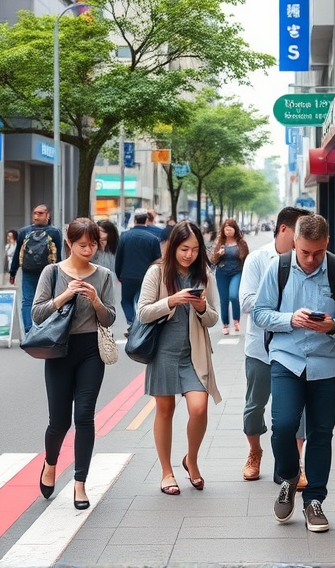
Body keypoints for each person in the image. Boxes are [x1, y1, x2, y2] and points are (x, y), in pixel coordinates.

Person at [253, 214, 335, 533]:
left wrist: (333, 326)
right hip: (286, 360)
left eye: (317, 252)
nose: (311, 259)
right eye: (305, 252)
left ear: (327, 242)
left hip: (327, 365)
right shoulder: (279, 268)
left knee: (320, 434)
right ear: (295, 243)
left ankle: (314, 500)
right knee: (283, 425)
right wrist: (290, 319)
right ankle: (289, 476)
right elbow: (259, 313)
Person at [33, 218, 116, 510]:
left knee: (84, 416)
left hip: (90, 350)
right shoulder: (52, 272)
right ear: (69, 243)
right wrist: (66, 295)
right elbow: (37, 314)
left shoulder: (103, 275)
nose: (88, 250)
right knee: (59, 422)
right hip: (59, 350)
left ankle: (80, 483)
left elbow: (109, 318)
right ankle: (50, 463)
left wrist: (95, 301)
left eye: (93, 244)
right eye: (82, 245)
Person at [137, 221, 220, 496]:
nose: (189, 255)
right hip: (163, 351)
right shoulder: (157, 272)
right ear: (173, 246)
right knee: (164, 411)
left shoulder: (204, 275)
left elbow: (213, 318)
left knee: (199, 408)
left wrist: (201, 307)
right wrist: (172, 300)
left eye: (195, 249)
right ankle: (166, 472)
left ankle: (191, 460)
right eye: (184, 249)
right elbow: (143, 312)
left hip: (193, 353)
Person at [239, 206, 311, 485]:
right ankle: (254, 451)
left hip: (295, 349)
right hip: (261, 349)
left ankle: (294, 464)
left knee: (296, 409)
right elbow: (247, 302)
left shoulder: (305, 261)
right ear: (284, 229)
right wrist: (286, 311)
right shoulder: (258, 259)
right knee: (255, 405)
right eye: (299, 231)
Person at [9, 205, 64, 333]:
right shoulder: (54, 232)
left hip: (34, 272)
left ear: (47, 215)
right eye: (35, 213)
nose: (36, 216)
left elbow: (18, 254)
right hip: (45, 272)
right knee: (47, 300)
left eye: (40, 213)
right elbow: (58, 256)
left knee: (28, 301)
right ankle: (42, 330)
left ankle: (29, 330)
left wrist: (13, 272)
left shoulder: (24, 232)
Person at [114, 208, 162, 335]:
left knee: (126, 301)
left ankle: (132, 322)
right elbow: (158, 260)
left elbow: (119, 257)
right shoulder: (152, 239)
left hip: (128, 275)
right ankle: (142, 325)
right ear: (146, 220)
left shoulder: (124, 236)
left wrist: (119, 274)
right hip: (147, 275)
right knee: (143, 301)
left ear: (134, 220)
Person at [210, 218, 249, 335]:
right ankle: (225, 324)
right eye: (226, 229)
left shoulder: (241, 243)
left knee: (233, 296)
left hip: (236, 272)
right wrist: (218, 254)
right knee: (224, 299)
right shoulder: (219, 242)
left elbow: (247, 259)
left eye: (230, 229)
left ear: (235, 229)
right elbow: (212, 260)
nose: (228, 231)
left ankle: (236, 320)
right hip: (222, 273)